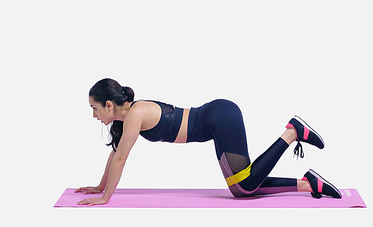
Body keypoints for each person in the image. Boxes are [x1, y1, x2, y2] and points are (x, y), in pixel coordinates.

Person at [75, 78, 342, 206]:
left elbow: (122, 159)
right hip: (218, 119)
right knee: (241, 189)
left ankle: (292, 132)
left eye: (95, 109)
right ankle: (309, 184)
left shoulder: (135, 114)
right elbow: (116, 153)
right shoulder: (126, 118)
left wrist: (105, 198)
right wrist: (98, 187)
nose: (94, 115)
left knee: (245, 184)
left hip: (220, 118)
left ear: (109, 105)